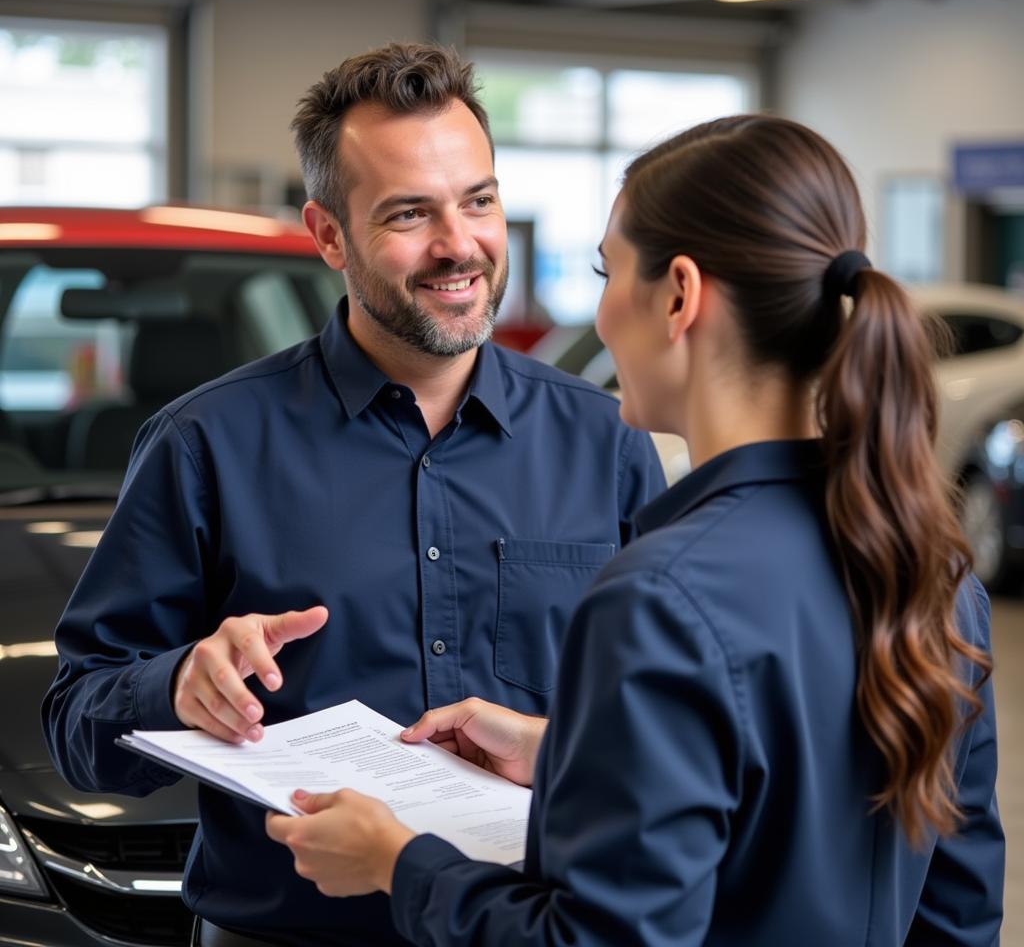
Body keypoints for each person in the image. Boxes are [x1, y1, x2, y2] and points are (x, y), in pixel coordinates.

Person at [267, 114, 1005, 945]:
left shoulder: (660, 598)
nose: (603, 312)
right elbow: (957, 909)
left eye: (606, 270)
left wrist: (398, 863)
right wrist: (572, 754)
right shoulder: (929, 573)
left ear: (679, 295)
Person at [42, 43, 664, 947]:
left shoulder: (605, 441)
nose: (460, 245)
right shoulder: (206, 445)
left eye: (479, 201)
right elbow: (75, 721)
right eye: (411, 213)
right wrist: (177, 684)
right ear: (329, 233)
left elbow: (669, 718)